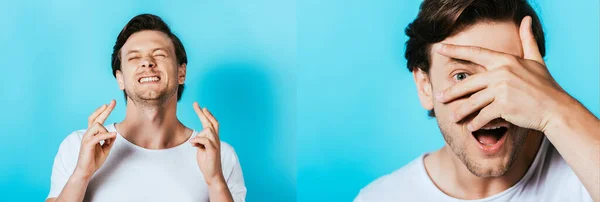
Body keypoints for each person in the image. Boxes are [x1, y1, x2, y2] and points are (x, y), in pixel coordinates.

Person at [355, 0, 599, 201]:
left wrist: (554, 109)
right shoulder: (381, 197)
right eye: (462, 76)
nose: (489, 104)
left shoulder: (582, 177)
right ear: (425, 86)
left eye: (508, 76)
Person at [46, 14, 246, 202]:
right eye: (134, 58)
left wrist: (215, 181)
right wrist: (82, 173)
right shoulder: (79, 146)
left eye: (159, 54)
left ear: (181, 72)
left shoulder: (219, 155)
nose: (147, 63)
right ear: (120, 79)